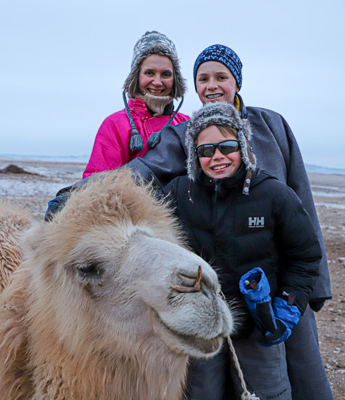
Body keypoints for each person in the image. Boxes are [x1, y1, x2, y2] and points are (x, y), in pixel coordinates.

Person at [45, 44, 333, 400]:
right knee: (206, 378)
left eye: (221, 77)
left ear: (236, 81)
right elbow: (143, 170)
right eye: (203, 79)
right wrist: (77, 194)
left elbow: (300, 202)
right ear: (194, 86)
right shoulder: (189, 132)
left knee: (280, 375)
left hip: (272, 279)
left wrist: (310, 287)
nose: (212, 85)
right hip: (215, 271)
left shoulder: (272, 125)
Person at [161, 101, 321, 400]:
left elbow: (305, 257)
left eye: (227, 146)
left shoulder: (274, 194)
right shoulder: (180, 194)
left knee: (266, 394)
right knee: (200, 394)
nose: (217, 156)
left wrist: (287, 306)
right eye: (206, 150)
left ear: (244, 145)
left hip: (259, 328)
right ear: (195, 156)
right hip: (201, 328)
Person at [82, 30, 189, 178]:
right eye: (149, 73)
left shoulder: (187, 124)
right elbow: (96, 183)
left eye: (166, 74)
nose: (157, 82)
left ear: (175, 79)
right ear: (136, 76)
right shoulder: (115, 125)